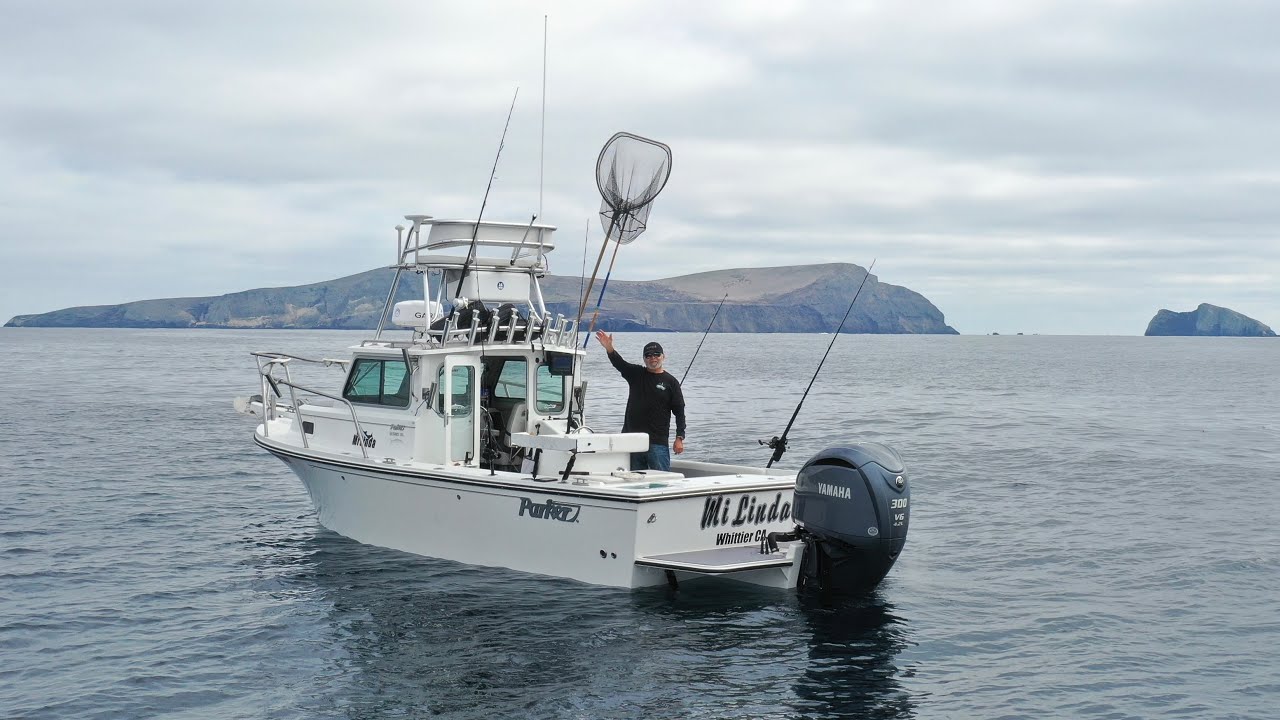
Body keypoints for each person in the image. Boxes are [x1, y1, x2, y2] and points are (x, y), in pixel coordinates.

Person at [595, 330, 686, 472]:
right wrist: (609, 348)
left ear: (663, 357)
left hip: (657, 443)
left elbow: (680, 412)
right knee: (633, 481)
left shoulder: (671, 382)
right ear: (644, 359)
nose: (653, 358)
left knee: (661, 482)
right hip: (632, 440)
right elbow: (620, 364)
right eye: (648, 355)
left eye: (656, 355)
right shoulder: (636, 374)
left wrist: (680, 437)